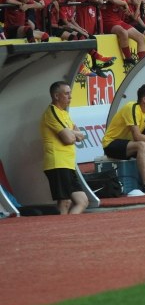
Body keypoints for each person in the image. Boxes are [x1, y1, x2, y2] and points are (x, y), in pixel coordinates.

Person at [101, 84, 145, 194]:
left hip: (129, 145)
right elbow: (137, 136)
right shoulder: (132, 107)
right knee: (141, 144)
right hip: (111, 144)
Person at [40, 81, 89, 214]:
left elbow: (80, 136)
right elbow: (69, 139)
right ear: (56, 96)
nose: (70, 97)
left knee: (82, 201)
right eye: (67, 94)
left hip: (67, 164)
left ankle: (68, 227)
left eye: (70, 93)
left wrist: (72, 132)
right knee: (65, 202)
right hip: (58, 163)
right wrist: (73, 133)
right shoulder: (52, 112)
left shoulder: (64, 113)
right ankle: (61, 230)